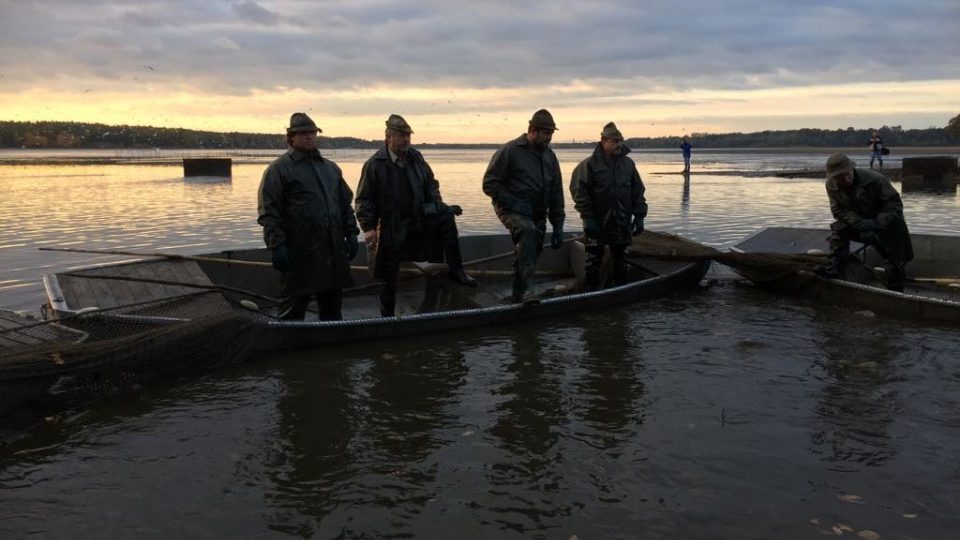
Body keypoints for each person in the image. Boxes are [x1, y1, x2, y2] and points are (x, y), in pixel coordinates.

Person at [355, 114, 477, 317]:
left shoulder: (416, 157)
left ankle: (457, 270)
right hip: (390, 224)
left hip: (419, 217)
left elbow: (431, 183)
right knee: (388, 273)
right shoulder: (374, 164)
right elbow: (363, 199)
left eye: (408, 136)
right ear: (388, 137)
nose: (406, 140)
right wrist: (368, 228)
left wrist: (436, 205)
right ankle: (387, 316)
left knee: (447, 217)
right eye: (401, 136)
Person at [257, 112, 360, 320]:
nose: (309, 137)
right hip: (299, 253)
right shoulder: (278, 170)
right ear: (291, 138)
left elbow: (345, 206)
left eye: (312, 133)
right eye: (303, 133)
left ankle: (331, 348)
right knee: (292, 313)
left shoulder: (330, 168)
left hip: (332, 253)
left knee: (332, 314)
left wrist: (351, 234)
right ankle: (288, 347)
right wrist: (277, 246)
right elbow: (269, 213)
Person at [482, 109, 565, 302]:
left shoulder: (550, 157)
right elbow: (489, 184)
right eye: (546, 133)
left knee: (532, 248)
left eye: (551, 133)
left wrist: (558, 225)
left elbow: (556, 194)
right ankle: (528, 290)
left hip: (538, 212)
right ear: (532, 130)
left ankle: (518, 295)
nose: (549, 138)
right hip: (509, 209)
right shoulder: (510, 150)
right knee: (527, 231)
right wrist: (515, 204)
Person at [817, 152, 913, 291]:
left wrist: (875, 224)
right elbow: (837, 210)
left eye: (846, 173)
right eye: (838, 177)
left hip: (887, 224)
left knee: (895, 260)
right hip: (859, 224)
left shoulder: (876, 180)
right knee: (839, 229)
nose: (844, 179)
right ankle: (835, 267)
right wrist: (858, 222)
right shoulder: (831, 185)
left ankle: (896, 288)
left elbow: (894, 206)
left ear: (852, 168)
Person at [569, 122, 648, 289]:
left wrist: (640, 215)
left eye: (620, 141)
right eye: (615, 141)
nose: (619, 144)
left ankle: (619, 293)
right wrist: (588, 218)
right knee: (593, 260)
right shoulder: (588, 165)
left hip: (621, 221)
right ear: (603, 141)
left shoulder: (628, 164)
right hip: (597, 221)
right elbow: (578, 191)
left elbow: (637, 191)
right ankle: (591, 295)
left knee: (621, 259)